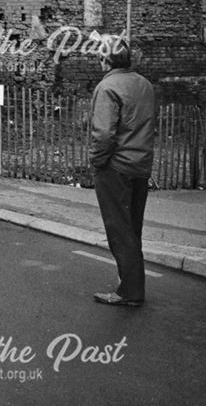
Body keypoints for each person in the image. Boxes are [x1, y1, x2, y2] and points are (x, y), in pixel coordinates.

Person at [89, 34, 155, 307]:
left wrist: (96, 161)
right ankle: (129, 285)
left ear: (106, 60)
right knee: (133, 228)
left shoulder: (107, 88)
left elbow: (103, 134)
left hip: (115, 167)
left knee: (119, 229)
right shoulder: (145, 85)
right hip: (140, 166)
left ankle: (129, 292)